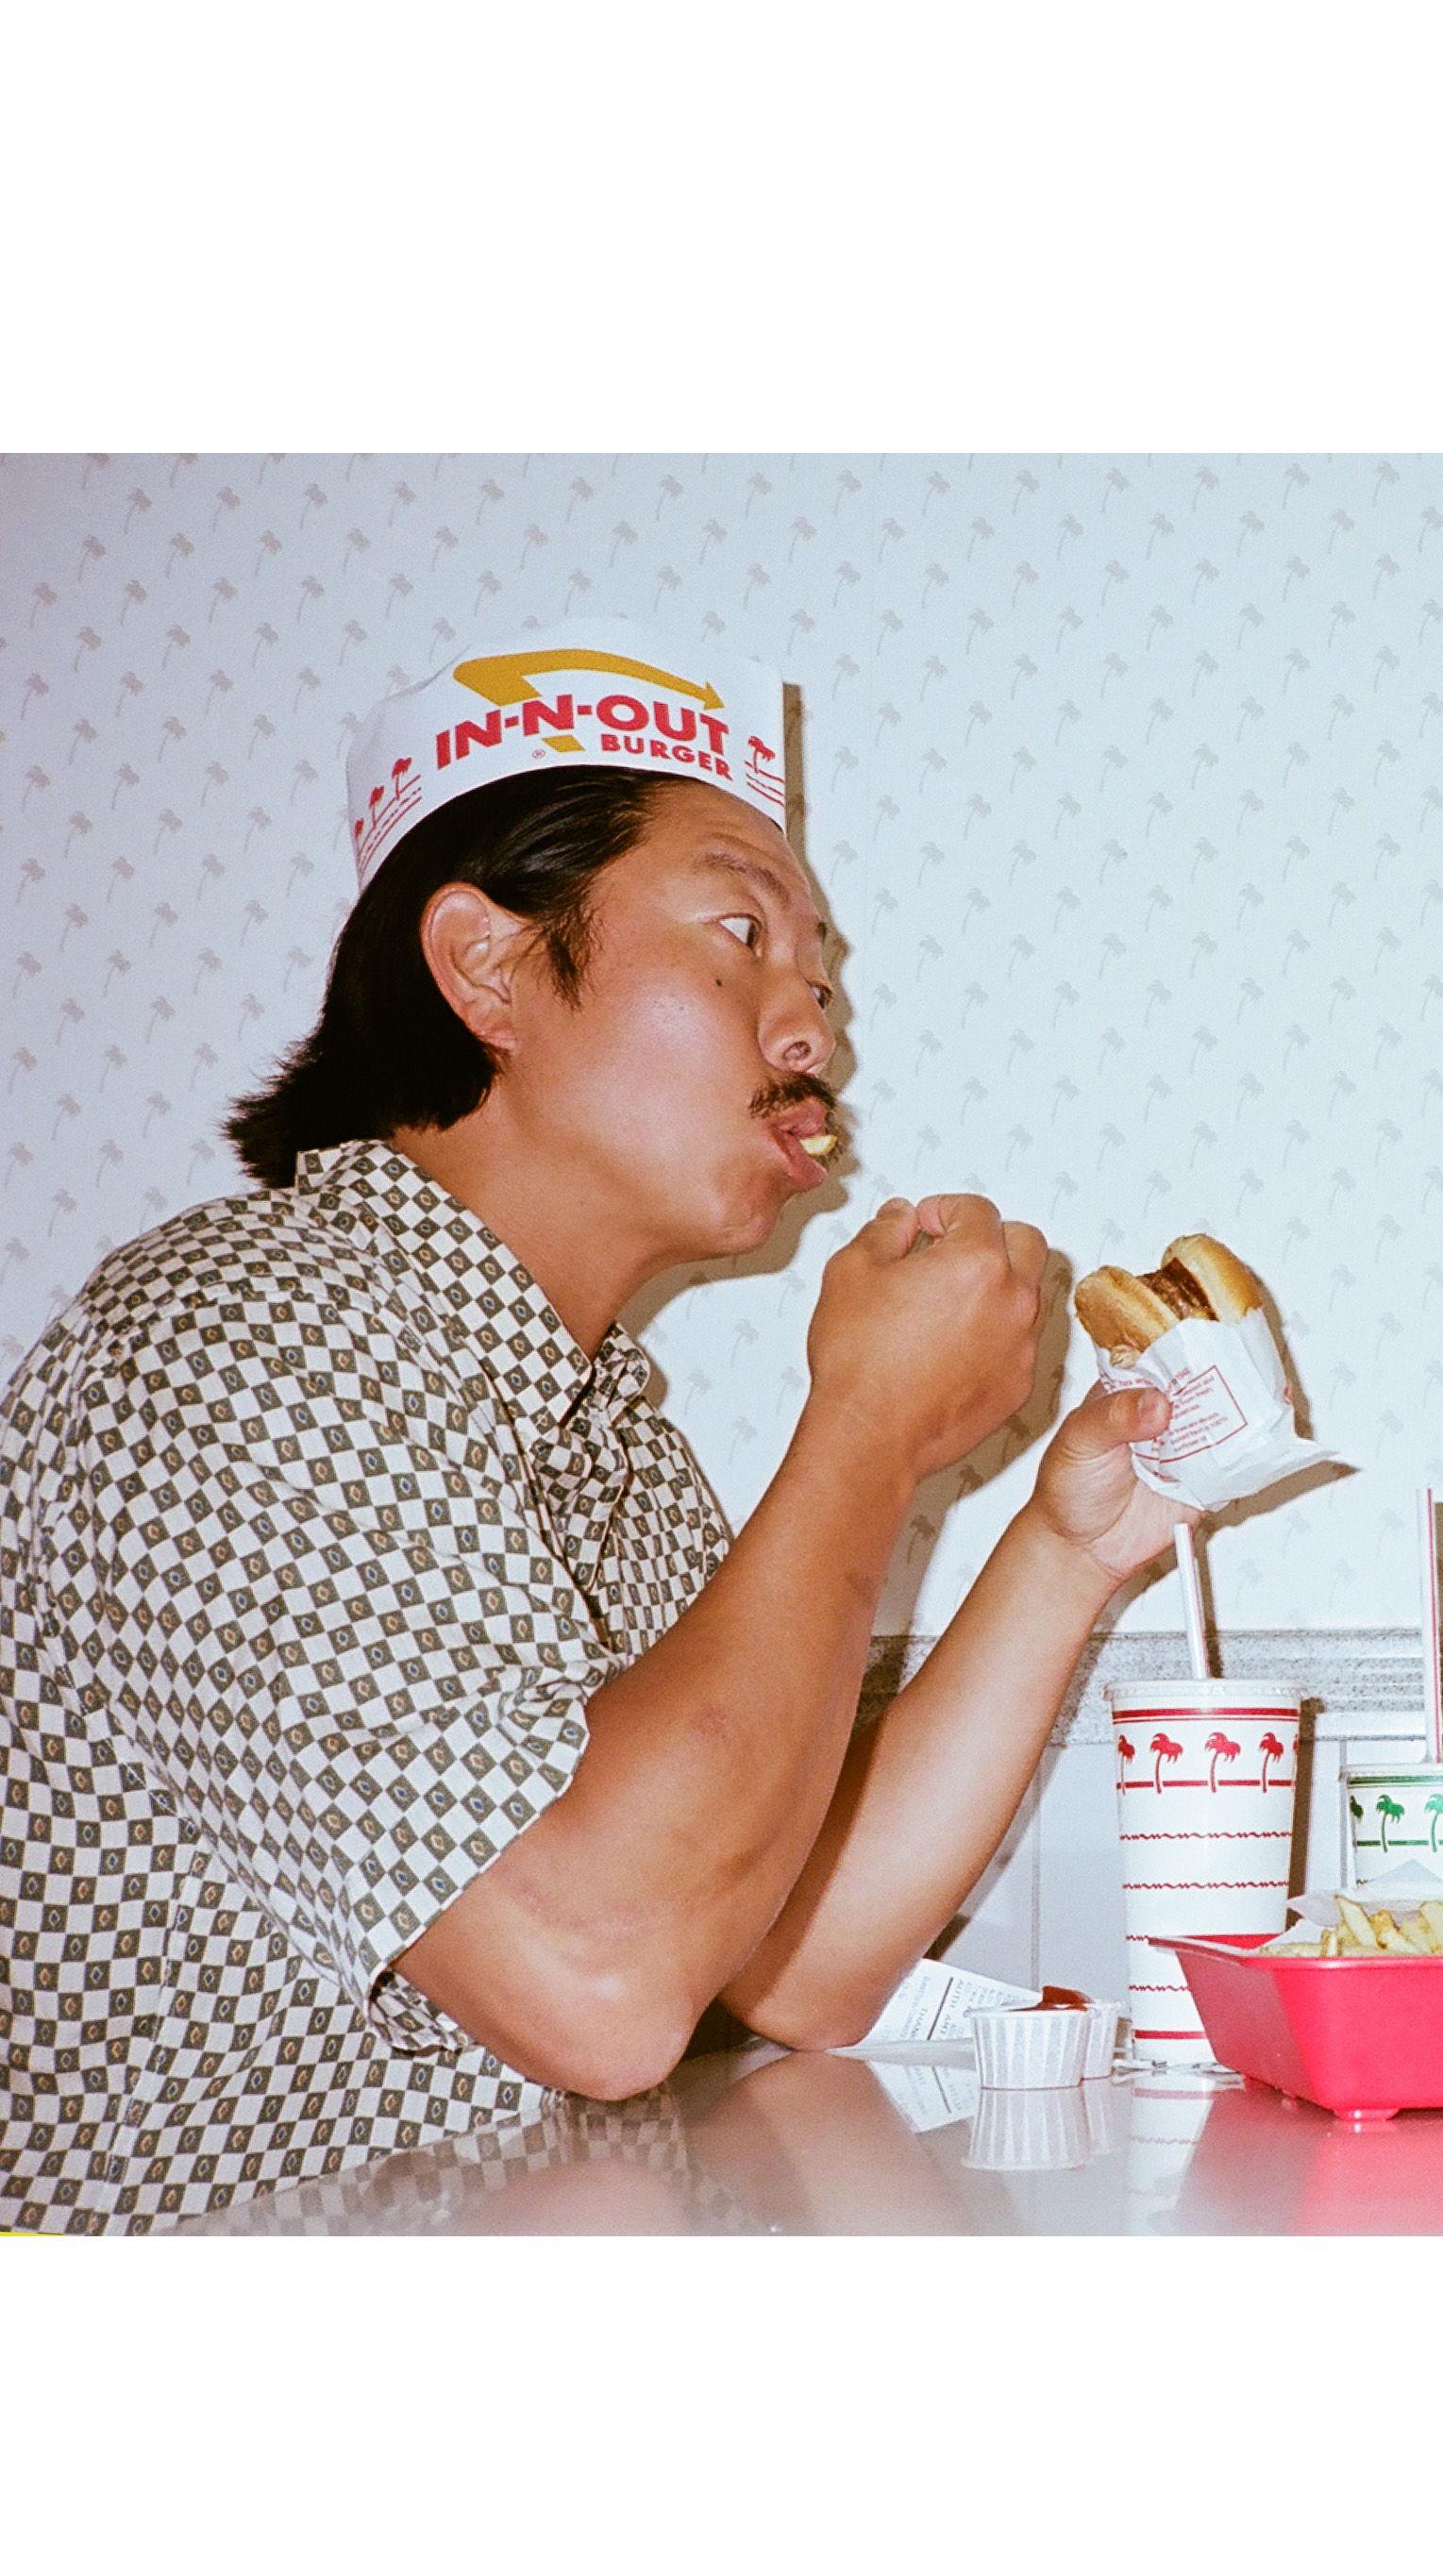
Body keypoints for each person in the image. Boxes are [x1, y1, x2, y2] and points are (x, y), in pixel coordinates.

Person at [0, 619, 1190, 2232]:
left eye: (818, 974)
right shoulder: (229, 1334)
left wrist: (1068, 1545)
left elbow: (792, 1951)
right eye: (739, 932)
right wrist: (862, 1426)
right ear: (488, 969)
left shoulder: (603, 1425)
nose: (813, 1031)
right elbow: (599, 1977)